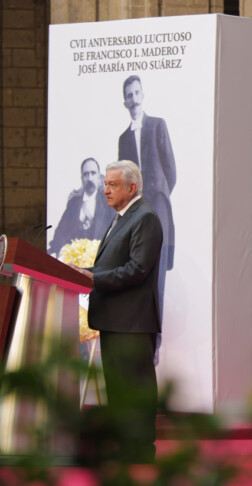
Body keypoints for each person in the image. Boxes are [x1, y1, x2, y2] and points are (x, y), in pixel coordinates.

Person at [75, 160, 162, 463]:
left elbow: (137, 269)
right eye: (106, 183)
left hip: (133, 322)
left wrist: (94, 278)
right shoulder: (123, 216)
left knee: (135, 387)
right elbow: (111, 266)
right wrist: (81, 272)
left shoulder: (145, 218)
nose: (105, 189)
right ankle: (125, 447)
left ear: (132, 187)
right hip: (115, 320)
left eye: (112, 184)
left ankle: (140, 451)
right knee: (118, 388)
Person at [117, 74, 176, 350]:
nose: (134, 98)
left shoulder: (157, 125)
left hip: (159, 210)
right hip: (137, 216)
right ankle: (141, 334)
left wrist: (159, 195)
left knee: (159, 275)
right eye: (129, 94)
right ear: (125, 100)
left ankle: (157, 337)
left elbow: (171, 170)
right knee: (140, 272)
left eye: (137, 92)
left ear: (142, 95)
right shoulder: (123, 139)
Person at [48, 157, 114, 256]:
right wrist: (63, 251)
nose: (90, 178)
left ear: (99, 177)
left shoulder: (108, 202)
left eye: (93, 173)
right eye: (86, 174)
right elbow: (60, 232)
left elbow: (115, 233)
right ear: (81, 178)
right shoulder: (73, 203)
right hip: (74, 256)